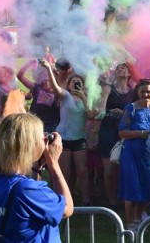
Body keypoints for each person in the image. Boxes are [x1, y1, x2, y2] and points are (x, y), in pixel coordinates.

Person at [0, 113, 73, 242]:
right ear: (31, 145)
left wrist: (36, 169)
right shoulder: (25, 190)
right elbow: (67, 208)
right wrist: (53, 163)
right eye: (42, 137)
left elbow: (25, 207)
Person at [41, 60, 97, 207]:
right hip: (63, 138)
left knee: (82, 171)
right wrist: (48, 68)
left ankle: (86, 201)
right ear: (69, 84)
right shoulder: (65, 96)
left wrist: (84, 98)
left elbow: (91, 115)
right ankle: (63, 200)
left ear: (83, 85)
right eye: (73, 82)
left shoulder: (87, 99)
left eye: (79, 82)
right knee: (64, 171)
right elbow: (54, 87)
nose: (76, 84)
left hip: (79, 139)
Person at [118, 78, 150, 230]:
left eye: (149, 91)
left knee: (146, 187)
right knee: (131, 188)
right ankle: (129, 226)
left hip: (149, 155)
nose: (145, 95)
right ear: (137, 92)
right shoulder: (130, 108)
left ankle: (138, 221)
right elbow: (122, 132)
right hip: (131, 153)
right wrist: (141, 133)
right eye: (142, 91)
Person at [97, 62, 136, 209]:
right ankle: (112, 202)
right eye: (118, 68)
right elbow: (102, 107)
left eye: (123, 68)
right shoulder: (108, 88)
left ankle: (125, 199)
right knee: (109, 171)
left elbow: (137, 112)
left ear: (129, 74)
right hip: (108, 130)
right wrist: (105, 111)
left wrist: (123, 113)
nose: (120, 69)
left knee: (124, 169)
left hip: (125, 132)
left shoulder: (133, 92)